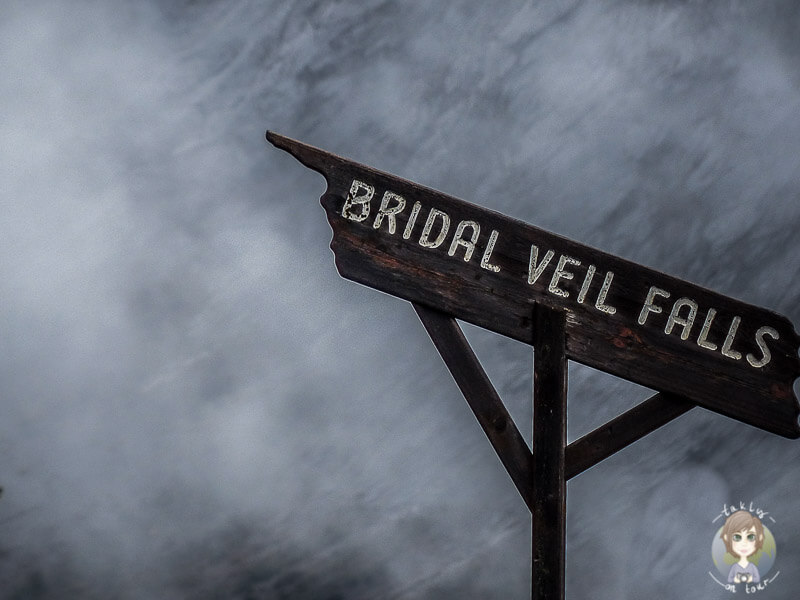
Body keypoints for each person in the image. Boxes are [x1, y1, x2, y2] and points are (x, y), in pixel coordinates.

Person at [720, 511, 764, 584]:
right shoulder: (734, 567)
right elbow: (729, 580)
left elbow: (757, 579)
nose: (744, 543)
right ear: (727, 538)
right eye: (737, 537)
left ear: (759, 538)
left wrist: (751, 578)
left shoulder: (752, 567)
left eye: (751, 537)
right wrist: (735, 579)